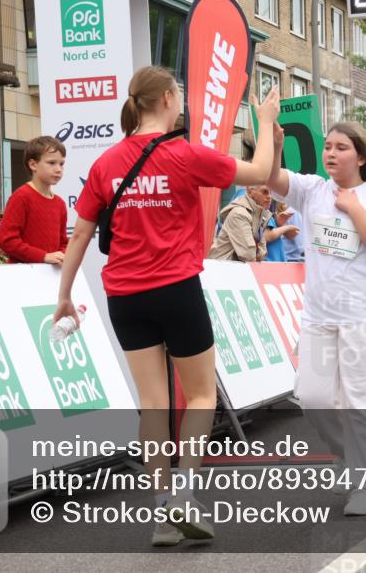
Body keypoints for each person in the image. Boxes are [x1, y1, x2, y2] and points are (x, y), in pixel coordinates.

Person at [56, 66, 280, 546]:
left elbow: (80, 236)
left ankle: (162, 516)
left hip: (124, 295)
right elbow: (260, 173)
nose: (181, 101)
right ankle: (183, 494)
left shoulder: (105, 164)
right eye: (178, 93)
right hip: (176, 288)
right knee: (199, 395)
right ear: (164, 98)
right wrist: (263, 118)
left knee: (153, 403)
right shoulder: (185, 154)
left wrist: (64, 297)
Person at [267, 120, 366, 517]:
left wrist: (356, 209)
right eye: (328, 146)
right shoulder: (312, 190)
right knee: (313, 397)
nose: (330, 153)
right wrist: (275, 146)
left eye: (341, 147)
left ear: (360, 156)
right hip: (319, 319)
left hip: (364, 319)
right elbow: (273, 181)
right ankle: (346, 457)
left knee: (363, 402)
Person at [0, 136, 69, 264]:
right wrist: (43, 256)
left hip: (50, 275)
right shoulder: (21, 197)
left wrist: (62, 255)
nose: (58, 169)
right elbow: (6, 240)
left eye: (61, 163)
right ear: (33, 165)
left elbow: (63, 242)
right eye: (51, 163)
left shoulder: (60, 204)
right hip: (24, 276)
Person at [208, 184, 273, 262]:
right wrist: (258, 252)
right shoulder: (239, 214)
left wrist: (257, 252)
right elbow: (248, 254)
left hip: (234, 267)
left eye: (271, 192)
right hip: (222, 269)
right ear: (250, 191)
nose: (269, 196)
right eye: (265, 192)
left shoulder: (261, 214)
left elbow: (262, 254)